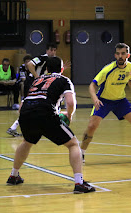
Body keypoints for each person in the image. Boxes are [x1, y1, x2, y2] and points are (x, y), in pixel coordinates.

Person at [6, 56, 95, 194]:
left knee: (27, 141)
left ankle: (13, 175)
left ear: (46, 69)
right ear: (62, 69)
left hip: (25, 113)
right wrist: (69, 115)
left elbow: (22, 105)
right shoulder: (64, 80)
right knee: (73, 144)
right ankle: (79, 183)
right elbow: (71, 103)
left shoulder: (38, 80)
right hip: (45, 112)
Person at [80, 43, 131, 164]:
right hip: (104, 101)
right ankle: (80, 153)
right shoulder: (108, 69)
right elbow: (92, 85)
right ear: (115, 55)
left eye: (123, 53)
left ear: (128, 55)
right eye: (118, 54)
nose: (120, 56)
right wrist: (95, 99)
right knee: (92, 126)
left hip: (120, 101)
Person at [6, 43, 71, 137]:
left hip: (40, 85)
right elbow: (29, 64)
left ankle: (15, 127)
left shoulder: (52, 61)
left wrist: (61, 70)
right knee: (31, 107)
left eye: (54, 50)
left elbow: (51, 74)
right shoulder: (42, 58)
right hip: (33, 83)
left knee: (36, 107)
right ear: (47, 50)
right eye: (51, 50)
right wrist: (38, 78)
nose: (53, 52)